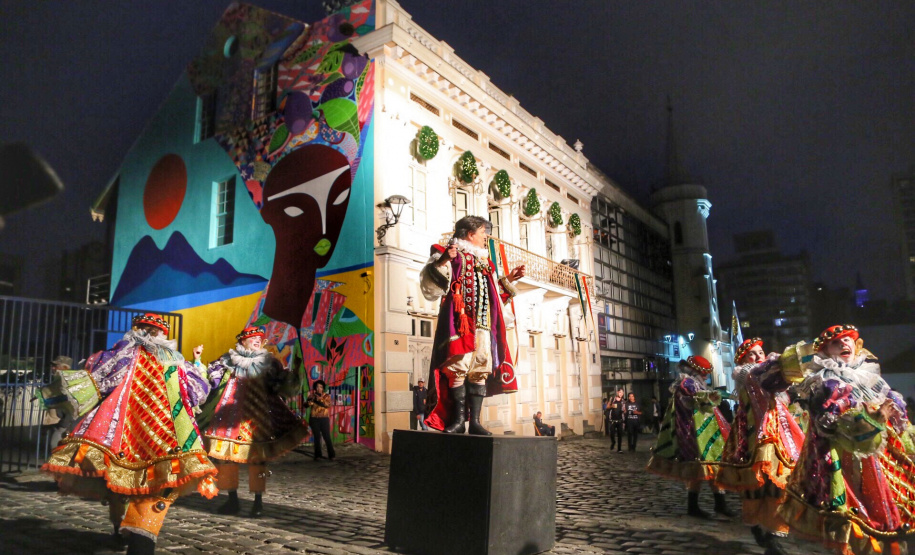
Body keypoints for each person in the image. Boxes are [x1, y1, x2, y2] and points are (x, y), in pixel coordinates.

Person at [39, 313, 217, 555]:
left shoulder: (124, 354)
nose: (153, 335)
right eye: (153, 331)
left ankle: (130, 535)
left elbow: (98, 378)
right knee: (155, 485)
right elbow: (197, 392)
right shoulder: (175, 363)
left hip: (125, 434)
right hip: (164, 435)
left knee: (125, 482)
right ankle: (138, 539)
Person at [776, 325, 915, 555]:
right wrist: (873, 420)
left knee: (882, 514)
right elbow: (828, 425)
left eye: (848, 340)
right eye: (836, 342)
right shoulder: (823, 382)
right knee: (850, 519)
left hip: (878, 458)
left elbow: (898, 415)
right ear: (825, 351)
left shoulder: (868, 376)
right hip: (840, 460)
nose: (844, 345)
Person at [420, 216, 525, 435]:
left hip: (483, 327)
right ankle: (458, 421)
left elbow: (494, 295)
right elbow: (432, 281)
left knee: (479, 370)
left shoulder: (486, 263)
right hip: (460, 324)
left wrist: (509, 279)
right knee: (457, 369)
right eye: (483, 234)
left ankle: (475, 422)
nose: (485, 238)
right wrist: (441, 262)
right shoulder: (450, 253)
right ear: (470, 234)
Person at [198, 326, 307, 518]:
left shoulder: (269, 362)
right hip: (229, 419)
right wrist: (199, 362)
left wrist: (296, 370)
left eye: (259, 338)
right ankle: (232, 500)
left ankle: (258, 502)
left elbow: (282, 386)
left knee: (258, 460)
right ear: (242, 341)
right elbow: (211, 382)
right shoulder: (227, 361)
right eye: (253, 338)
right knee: (225, 460)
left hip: (258, 417)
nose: (257, 340)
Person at [716, 338, 804, 555]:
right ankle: (756, 525)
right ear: (743, 359)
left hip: (778, 432)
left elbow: (781, 385)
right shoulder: (745, 372)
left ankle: (774, 535)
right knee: (754, 483)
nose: (757, 357)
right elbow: (761, 375)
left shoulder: (768, 372)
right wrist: (776, 363)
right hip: (752, 433)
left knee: (781, 481)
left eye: (760, 352)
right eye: (751, 354)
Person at [647, 355, 735, 519]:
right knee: (704, 467)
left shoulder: (692, 383)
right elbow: (700, 402)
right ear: (695, 371)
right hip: (694, 432)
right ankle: (708, 505)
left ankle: (713, 504)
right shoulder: (687, 384)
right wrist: (714, 397)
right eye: (704, 373)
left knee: (706, 468)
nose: (706, 377)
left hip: (703, 431)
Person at [306, 380, 335, 460]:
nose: (319, 388)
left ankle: (331, 455)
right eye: (317, 386)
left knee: (327, 437)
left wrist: (319, 399)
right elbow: (307, 405)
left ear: (323, 388)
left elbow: (327, 405)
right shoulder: (312, 396)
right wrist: (309, 401)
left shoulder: (326, 396)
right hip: (314, 419)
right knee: (317, 437)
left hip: (324, 419)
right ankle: (318, 455)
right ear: (315, 388)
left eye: (321, 387)